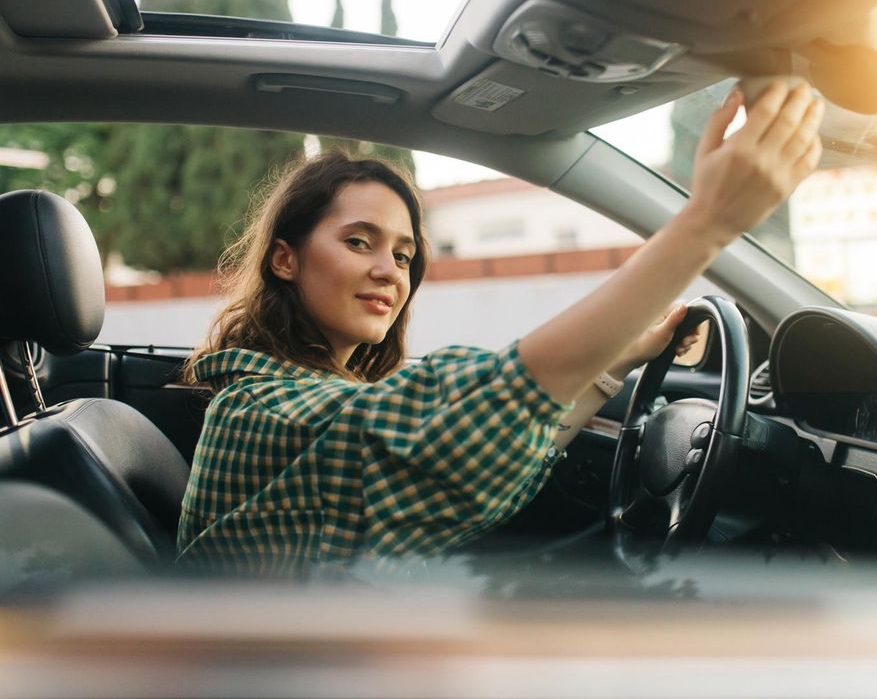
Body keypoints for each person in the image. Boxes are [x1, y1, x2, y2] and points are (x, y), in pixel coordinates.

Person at [176, 81, 823, 575]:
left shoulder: (309, 392)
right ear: (284, 258)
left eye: (403, 255)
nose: (388, 272)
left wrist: (617, 364)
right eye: (358, 241)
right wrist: (704, 223)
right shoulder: (263, 410)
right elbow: (465, 414)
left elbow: (490, 444)